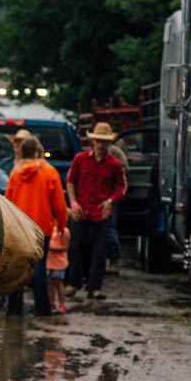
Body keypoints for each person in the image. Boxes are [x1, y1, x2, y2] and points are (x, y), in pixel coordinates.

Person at [3, 137, 68, 316]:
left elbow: (8, 202)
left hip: (19, 228)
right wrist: (61, 226)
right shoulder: (49, 172)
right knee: (39, 269)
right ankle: (42, 308)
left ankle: (14, 307)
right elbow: (60, 205)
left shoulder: (15, 173)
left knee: (18, 268)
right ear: (39, 151)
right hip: (41, 228)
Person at [65, 122, 127, 299]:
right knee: (76, 247)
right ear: (93, 142)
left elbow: (121, 187)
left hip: (101, 213)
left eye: (104, 142)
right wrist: (74, 203)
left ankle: (95, 287)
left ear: (109, 144)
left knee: (100, 250)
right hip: (82, 210)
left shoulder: (115, 165)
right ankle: (74, 283)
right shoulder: (80, 159)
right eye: (98, 141)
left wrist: (111, 201)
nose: (100, 145)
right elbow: (70, 181)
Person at [104, 140, 128, 275]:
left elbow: (122, 178)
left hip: (110, 198)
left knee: (110, 227)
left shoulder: (115, 153)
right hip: (101, 197)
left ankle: (114, 261)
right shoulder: (88, 157)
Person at [47, 223, 70, 313]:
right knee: (50, 283)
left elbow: (65, 247)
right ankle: (51, 303)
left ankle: (62, 304)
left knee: (59, 283)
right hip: (49, 263)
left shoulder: (64, 231)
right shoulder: (49, 228)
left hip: (59, 263)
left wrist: (50, 248)